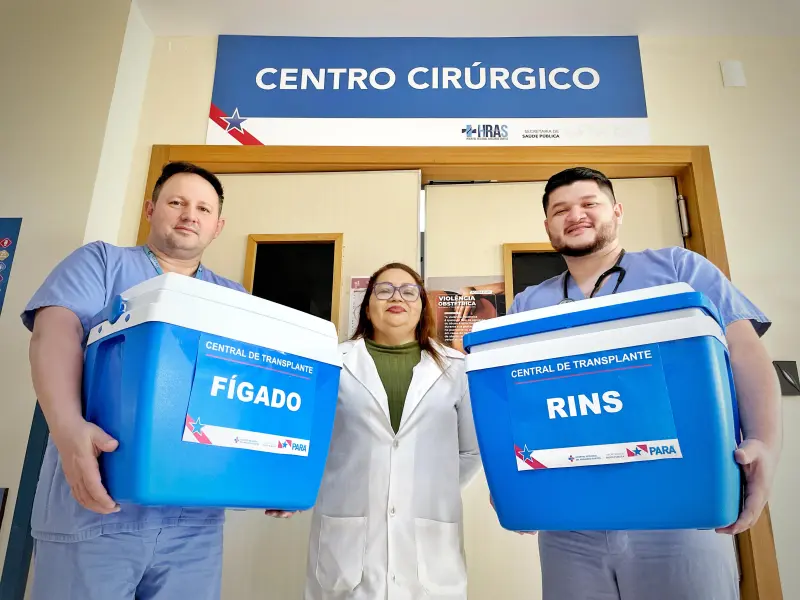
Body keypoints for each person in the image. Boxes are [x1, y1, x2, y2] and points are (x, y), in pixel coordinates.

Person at [501, 166, 782, 600]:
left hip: (679, 510)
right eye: (560, 210)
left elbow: (744, 352)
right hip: (570, 521)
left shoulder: (678, 267)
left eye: (589, 203)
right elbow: (514, 398)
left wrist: (764, 442)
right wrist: (511, 478)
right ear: (548, 226)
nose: (575, 215)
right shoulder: (528, 303)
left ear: (616, 211)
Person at [22, 161, 248, 600]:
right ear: (150, 209)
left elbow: (247, 391)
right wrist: (68, 428)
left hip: (194, 525)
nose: (189, 215)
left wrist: (270, 471)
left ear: (217, 226)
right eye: (176, 202)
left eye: (203, 208)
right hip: (95, 506)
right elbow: (55, 332)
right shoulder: (102, 262)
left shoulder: (233, 297)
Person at [268, 262, 482, 599]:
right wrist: (290, 488)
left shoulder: (457, 369)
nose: (397, 297)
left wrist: (421, 487)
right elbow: (303, 440)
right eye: (384, 290)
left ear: (422, 306)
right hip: (346, 545)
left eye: (409, 291)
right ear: (367, 307)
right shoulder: (332, 363)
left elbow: (470, 451)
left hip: (430, 545)